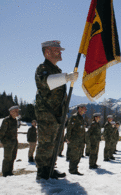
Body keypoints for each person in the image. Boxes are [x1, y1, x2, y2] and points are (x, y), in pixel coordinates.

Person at [35, 40, 78, 180]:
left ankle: (50, 168)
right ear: (47, 52)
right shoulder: (42, 68)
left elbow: (61, 94)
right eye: (57, 50)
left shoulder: (56, 70)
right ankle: (42, 171)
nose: (60, 52)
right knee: (46, 142)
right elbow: (46, 81)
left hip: (57, 114)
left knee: (54, 142)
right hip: (47, 114)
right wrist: (66, 77)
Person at [0, 106, 20, 177]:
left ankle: (10, 172)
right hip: (8, 143)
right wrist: (5, 142)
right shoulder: (6, 120)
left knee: (13, 157)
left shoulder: (15, 120)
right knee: (7, 158)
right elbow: (1, 133)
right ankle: (5, 173)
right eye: (16, 111)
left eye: (18, 111)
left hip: (14, 142)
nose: (18, 113)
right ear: (11, 112)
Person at [66, 104, 86, 175]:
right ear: (79, 109)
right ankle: (72, 169)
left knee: (79, 155)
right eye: (84, 109)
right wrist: (68, 138)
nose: (85, 110)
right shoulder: (74, 117)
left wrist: (84, 140)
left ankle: (75, 168)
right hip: (74, 140)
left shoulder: (81, 118)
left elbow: (82, 130)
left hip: (80, 140)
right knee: (74, 155)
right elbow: (69, 128)